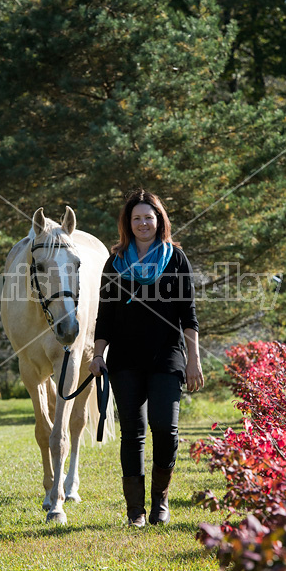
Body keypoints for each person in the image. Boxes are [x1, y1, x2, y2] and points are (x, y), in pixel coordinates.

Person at [89, 189, 204, 528]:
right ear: (129, 222)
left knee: (165, 428)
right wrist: (98, 354)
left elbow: (189, 313)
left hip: (168, 356)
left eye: (148, 217)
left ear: (159, 221)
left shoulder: (176, 259)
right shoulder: (115, 262)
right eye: (137, 217)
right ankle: (135, 511)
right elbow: (105, 315)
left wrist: (194, 359)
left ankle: (160, 502)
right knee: (133, 433)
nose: (143, 222)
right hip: (124, 359)